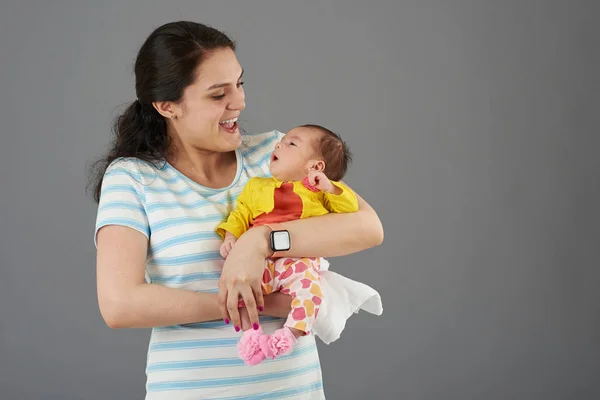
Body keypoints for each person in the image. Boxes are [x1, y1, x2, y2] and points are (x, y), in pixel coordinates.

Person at [91, 20, 383, 399]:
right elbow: (120, 304)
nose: (240, 102)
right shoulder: (133, 178)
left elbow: (367, 227)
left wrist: (259, 241)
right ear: (167, 106)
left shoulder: (278, 155)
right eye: (218, 94)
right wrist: (248, 303)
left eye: (240, 84)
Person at [216, 124, 362, 365]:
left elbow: (350, 210)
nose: (278, 145)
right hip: (260, 261)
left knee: (311, 293)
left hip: (299, 262)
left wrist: (331, 187)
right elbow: (240, 214)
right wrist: (230, 237)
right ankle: (251, 336)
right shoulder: (256, 187)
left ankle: (288, 335)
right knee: (240, 291)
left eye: (291, 144)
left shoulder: (319, 192)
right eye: (281, 141)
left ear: (315, 167)